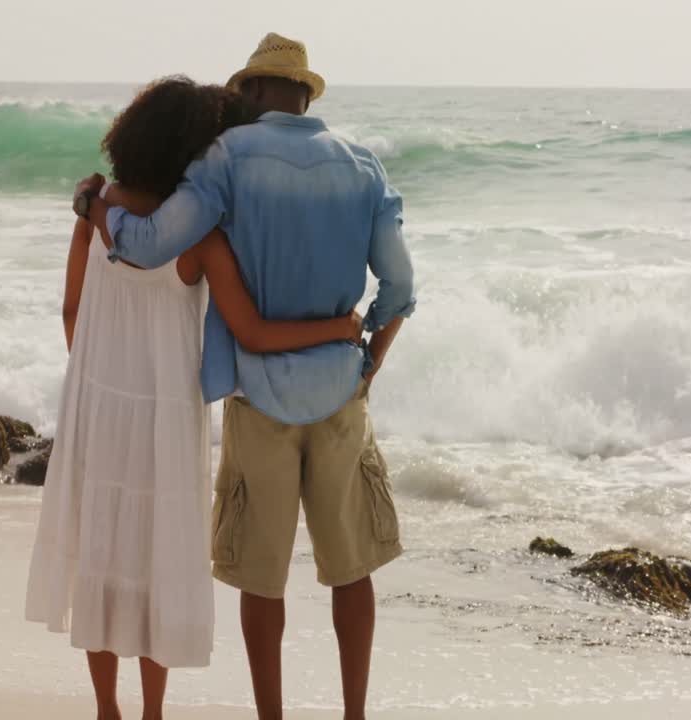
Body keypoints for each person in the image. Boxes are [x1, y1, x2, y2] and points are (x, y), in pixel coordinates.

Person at [78, 33, 416, 720]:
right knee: (352, 572)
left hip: (259, 395)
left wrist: (96, 207)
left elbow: (148, 245)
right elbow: (401, 287)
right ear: (304, 95)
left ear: (257, 90)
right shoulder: (362, 164)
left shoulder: (226, 158)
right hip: (338, 392)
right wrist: (368, 361)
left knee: (263, 582)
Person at [25, 77, 365, 720]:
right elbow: (252, 331)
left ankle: (107, 708)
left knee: (102, 556)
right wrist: (338, 328)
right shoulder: (200, 239)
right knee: (152, 562)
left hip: (98, 407)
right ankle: (153, 712)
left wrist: (97, 377)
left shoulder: (95, 211)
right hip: (164, 418)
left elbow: (71, 312)